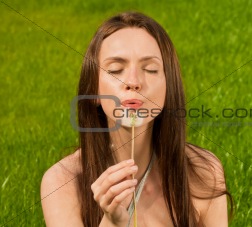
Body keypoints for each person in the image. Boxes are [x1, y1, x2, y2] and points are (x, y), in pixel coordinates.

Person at [41, 11, 233, 227]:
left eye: (150, 69)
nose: (133, 82)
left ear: (169, 88)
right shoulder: (61, 182)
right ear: (93, 90)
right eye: (116, 70)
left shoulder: (204, 172)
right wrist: (112, 223)